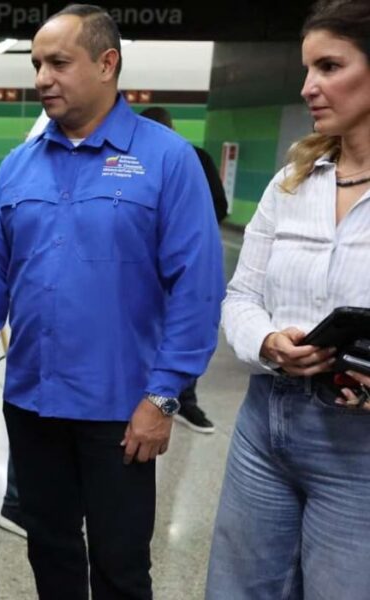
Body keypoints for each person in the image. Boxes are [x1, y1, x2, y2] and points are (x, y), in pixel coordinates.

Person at [0, 5, 224, 599]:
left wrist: (163, 396)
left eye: (58, 62)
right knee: (48, 551)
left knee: (120, 564)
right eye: (36, 65)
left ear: (108, 64)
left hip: (122, 412)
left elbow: (198, 290)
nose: (42, 78)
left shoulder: (167, 160)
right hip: (32, 402)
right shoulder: (19, 167)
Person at [206, 1, 370, 597]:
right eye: (307, 69)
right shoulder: (292, 181)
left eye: (329, 66)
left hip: (359, 448)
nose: (309, 87)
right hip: (265, 425)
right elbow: (242, 295)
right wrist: (269, 342)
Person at [139, 105, 230, 434]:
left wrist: (192, 232)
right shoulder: (136, 163)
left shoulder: (190, 159)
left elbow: (217, 206)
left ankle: (174, 401)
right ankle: (172, 399)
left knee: (179, 329)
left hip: (168, 267)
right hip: (151, 269)